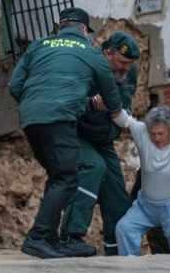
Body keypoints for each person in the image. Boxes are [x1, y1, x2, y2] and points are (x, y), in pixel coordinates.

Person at [8, 7, 123, 259]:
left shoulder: (38, 45)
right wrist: (119, 117)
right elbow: (111, 96)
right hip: (59, 119)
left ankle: (50, 239)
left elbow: (14, 85)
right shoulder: (91, 53)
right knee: (67, 177)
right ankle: (38, 238)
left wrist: (35, 104)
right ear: (84, 29)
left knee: (58, 175)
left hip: (31, 118)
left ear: (60, 26)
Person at [60, 31, 141, 256]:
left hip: (105, 138)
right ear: (108, 53)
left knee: (117, 197)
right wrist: (90, 105)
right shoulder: (86, 66)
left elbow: (125, 104)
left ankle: (117, 254)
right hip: (78, 134)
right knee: (93, 167)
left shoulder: (128, 73)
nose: (125, 69)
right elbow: (70, 102)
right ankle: (70, 237)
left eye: (130, 64)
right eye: (122, 62)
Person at [113, 106, 170, 255]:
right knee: (125, 229)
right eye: (153, 134)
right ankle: (129, 271)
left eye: (161, 134)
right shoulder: (142, 133)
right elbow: (122, 119)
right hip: (145, 207)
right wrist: (108, 102)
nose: (156, 138)